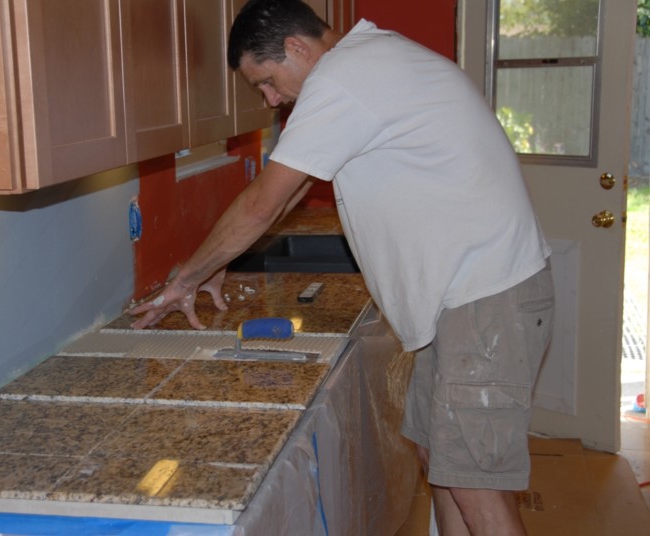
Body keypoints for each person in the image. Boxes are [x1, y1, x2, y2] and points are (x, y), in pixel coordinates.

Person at [130, 0, 555, 534]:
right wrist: (222, 260)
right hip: (467, 300)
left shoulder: (343, 78)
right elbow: (297, 187)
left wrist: (186, 279)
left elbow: (263, 203)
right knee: (444, 464)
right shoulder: (366, 62)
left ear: (296, 48)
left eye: (266, 81)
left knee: (476, 484)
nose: (269, 99)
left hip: (485, 300)